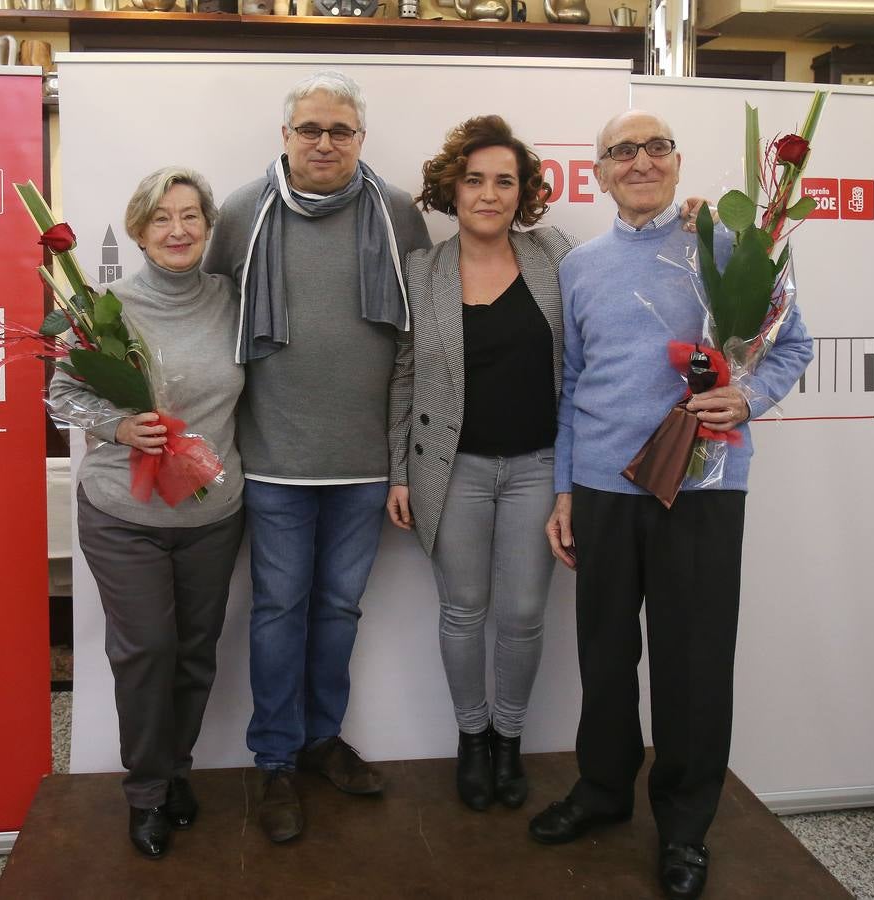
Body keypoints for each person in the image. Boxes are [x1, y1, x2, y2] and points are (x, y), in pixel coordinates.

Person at [527, 110, 813, 900]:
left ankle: (685, 828)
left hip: (705, 487)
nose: (640, 161)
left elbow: (792, 342)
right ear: (600, 172)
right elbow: (573, 385)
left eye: (656, 148)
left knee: (693, 663)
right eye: (623, 151)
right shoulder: (580, 266)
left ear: (679, 163)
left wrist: (747, 397)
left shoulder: (732, 249)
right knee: (605, 655)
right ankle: (603, 789)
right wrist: (563, 489)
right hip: (603, 487)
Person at [203, 70, 431, 843]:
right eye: (311, 129)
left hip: (365, 465)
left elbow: (415, 339)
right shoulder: (241, 213)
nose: (324, 143)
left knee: (337, 612)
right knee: (276, 614)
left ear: (360, 139)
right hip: (272, 462)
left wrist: (404, 459)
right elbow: (208, 321)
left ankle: (319, 739)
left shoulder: (398, 212)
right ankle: (274, 761)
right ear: (286, 137)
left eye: (340, 131)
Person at [49, 167, 244, 860]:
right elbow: (62, 398)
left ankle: (177, 773)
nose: (178, 230)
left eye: (191, 216)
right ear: (138, 229)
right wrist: (118, 428)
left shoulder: (231, 300)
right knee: (147, 653)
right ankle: (146, 794)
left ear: (208, 227)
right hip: (123, 513)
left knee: (194, 655)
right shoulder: (101, 305)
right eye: (161, 218)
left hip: (213, 513)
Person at [385, 115, 574, 812]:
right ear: (451, 190)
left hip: (538, 467)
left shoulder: (555, 254)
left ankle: (508, 740)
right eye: (474, 180)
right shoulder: (422, 271)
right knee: (463, 612)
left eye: (504, 181)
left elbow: (582, 361)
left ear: (522, 193)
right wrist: (399, 471)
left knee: (523, 614)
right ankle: (470, 738)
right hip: (452, 468)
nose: (489, 194)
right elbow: (402, 376)